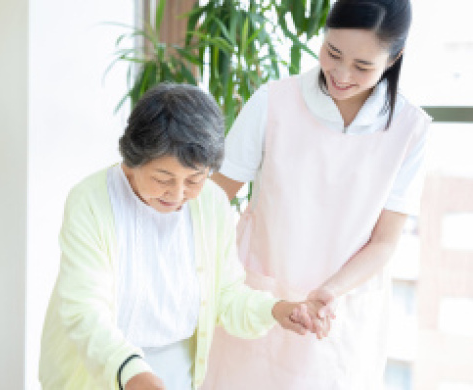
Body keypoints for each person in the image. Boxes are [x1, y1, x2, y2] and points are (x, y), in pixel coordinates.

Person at [201, 0, 431, 389]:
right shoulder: (273, 102)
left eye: (362, 66)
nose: (340, 74)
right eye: (333, 52)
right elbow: (211, 200)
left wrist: (327, 293)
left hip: (341, 311)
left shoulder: (410, 129)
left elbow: (385, 242)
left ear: (394, 58)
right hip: (261, 302)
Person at [38, 83, 311, 390]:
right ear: (132, 159)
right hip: (99, 368)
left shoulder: (211, 202)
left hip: (176, 372)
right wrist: (132, 373)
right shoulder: (90, 202)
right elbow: (85, 310)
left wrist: (275, 309)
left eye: (194, 180)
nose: (178, 194)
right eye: (162, 179)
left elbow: (226, 296)